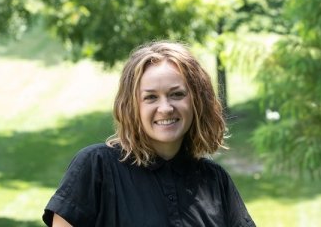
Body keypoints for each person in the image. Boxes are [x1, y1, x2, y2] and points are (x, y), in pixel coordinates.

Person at [42, 40, 256, 227]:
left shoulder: (214, 180)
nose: (166, 108)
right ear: (132, 106)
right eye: (151, 97)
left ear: (197, 102)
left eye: (177, 94)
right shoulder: (97, 167)